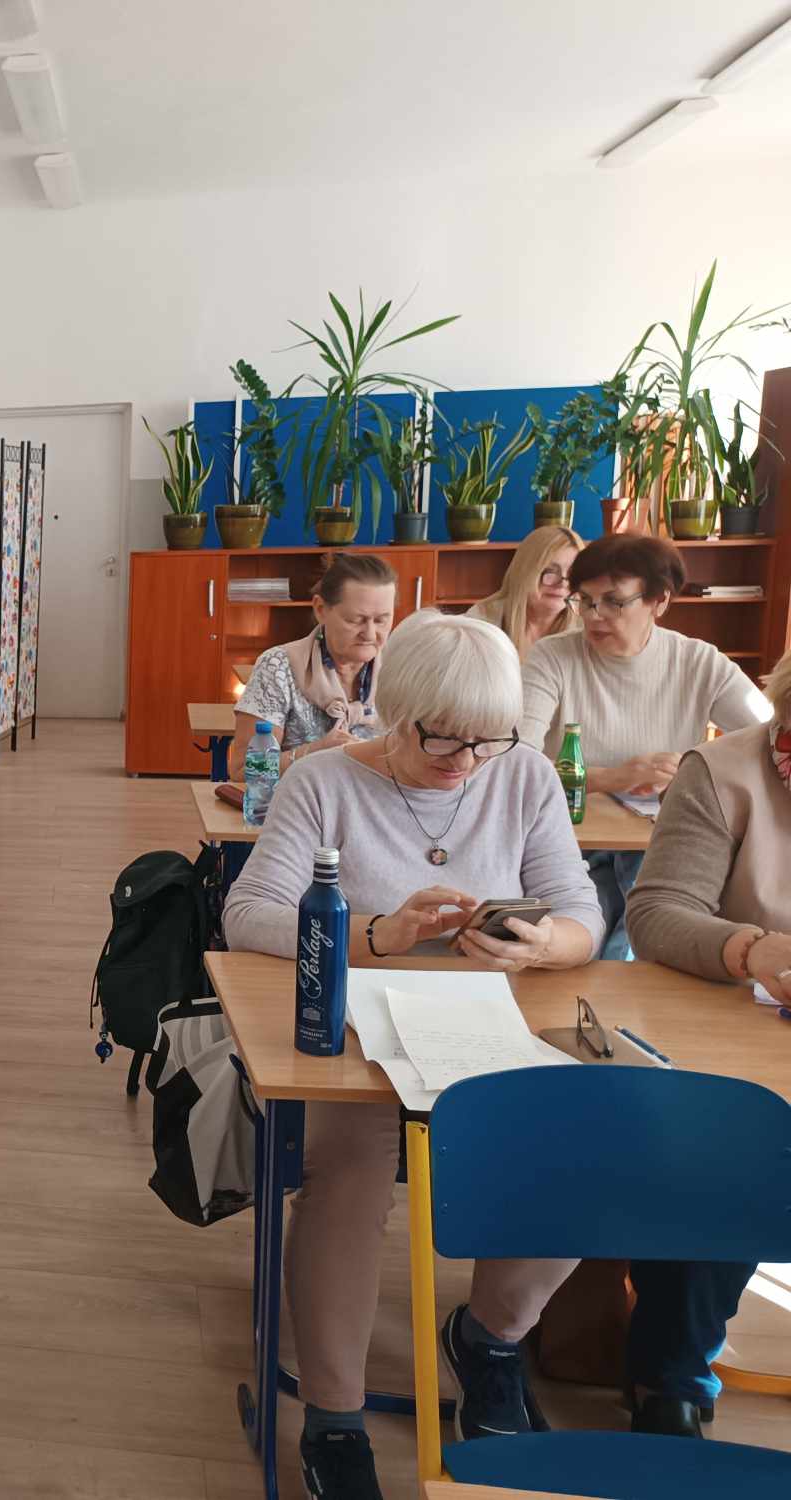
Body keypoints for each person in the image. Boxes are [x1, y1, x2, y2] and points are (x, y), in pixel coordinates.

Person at [223, 612, 604, 1499]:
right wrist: (378, 936)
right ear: (397, 709)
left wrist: (542, 943)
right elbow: (248, 916)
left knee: (586, 1142)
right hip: (357, 1034)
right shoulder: (323, 781)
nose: (466, 760)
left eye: (487, 739)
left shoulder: (524, 775)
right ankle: (334, 1417)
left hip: (485, 1028)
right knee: (349, 1166)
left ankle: (491, 1339)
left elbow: (584, 914)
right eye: (443, 737)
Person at [621, 647, 791, 1438]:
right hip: (741, 1038)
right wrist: (749, 949)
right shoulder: (724, 772)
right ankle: (673, 1374)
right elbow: (656, 914)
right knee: (729, 1148)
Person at [520, 533, 769, 958]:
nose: (594, 616)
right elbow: (517, 760)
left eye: (614, 602)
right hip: (571, 843)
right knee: (587, 936)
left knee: (655, 929)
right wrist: (613, 778)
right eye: (585, 601)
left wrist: (695, 772)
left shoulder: (699, 662)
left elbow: (769, 739)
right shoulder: (552, 657)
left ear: (660, 601)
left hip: (663, 848)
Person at [232, 552, 396, 780]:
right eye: (355, 620)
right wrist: (314, 752)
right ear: (320, 609)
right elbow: (243, 770)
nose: (369, 634)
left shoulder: (402, 670)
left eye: (381, 620)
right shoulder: (278, 667)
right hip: (298, 799)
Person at [466, 524, 582, 659]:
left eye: (573, 573)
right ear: (524, 572)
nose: (563, 583)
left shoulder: (586, 625)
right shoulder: (482, 621)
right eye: (550, 571)